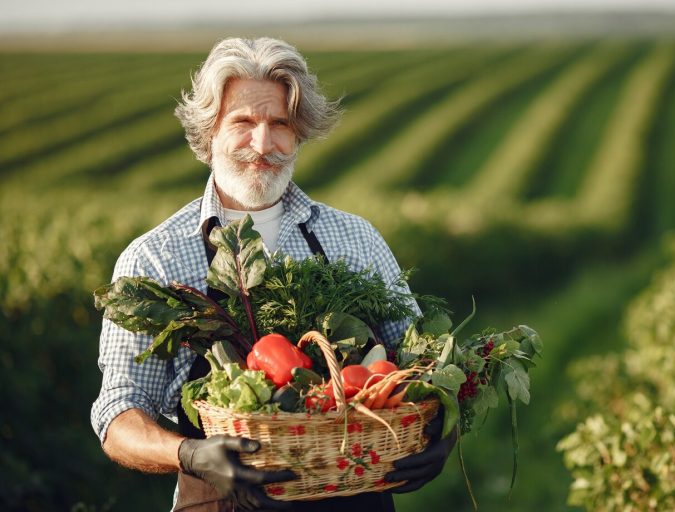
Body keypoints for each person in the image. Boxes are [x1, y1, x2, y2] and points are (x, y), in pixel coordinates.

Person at [91, 36, 457, 512]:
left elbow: (416, 362)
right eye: (243, 122)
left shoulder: (355, 240)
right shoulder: (156, 258)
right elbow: (116, 413)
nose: (262, 145)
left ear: (299, 133)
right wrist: (189, 452)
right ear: (210, 134)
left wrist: (437, 428)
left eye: (279, 125)